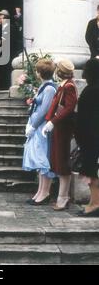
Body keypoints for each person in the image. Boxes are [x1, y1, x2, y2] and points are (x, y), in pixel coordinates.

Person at [42, 59, 78, 211]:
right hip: (59, 128)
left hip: (63, 128)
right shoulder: (64, 85)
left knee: (62, 162)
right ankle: (61, 197)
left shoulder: (69, 86)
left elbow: (68, 108)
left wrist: (53, 121)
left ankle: (63, 198)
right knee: (58, 161)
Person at [22, 59, 57, 205]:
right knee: (39, 159)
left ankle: (45, 193)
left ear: (39, 73)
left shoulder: (49, 88)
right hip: (37, 125)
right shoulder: (44, 87)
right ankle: (40, 191)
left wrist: (34, 126)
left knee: (43, 159)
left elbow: (44, 110)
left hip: (42, 127)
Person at [75, 58, 99, 217]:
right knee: (91, 171)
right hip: (92, 136)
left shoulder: (91, 90)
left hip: (91, 137)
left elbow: (85, 117)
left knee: (90, 172)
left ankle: (95, 203)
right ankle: (93, 202)